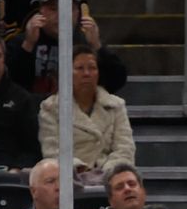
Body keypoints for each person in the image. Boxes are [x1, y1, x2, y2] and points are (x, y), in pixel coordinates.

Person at [38, 43, 133, 182]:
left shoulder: (116, 105)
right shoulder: (50, 108)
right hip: (70, 180)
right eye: (80, 68)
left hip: (110, 178)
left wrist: (105, 173)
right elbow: (52, 152)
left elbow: (125, 148)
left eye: (92, 68)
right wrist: (82, 170)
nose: (87, 73)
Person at [6, 0, 126, 98]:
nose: (61, 16)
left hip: (77, 114)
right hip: (32, 114)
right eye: (53, 9)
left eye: (69, 9)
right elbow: (7, 85)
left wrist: (97, 46)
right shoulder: (22, 41)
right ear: (41, 11)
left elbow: (116, 82)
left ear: (77, 13)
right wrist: (28, 45)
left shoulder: (86, 42)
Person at [0, 33, 40, 169]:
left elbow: (33, 149)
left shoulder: (21, 98)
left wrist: (17, 168)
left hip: (9, 176)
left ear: (4, 58)